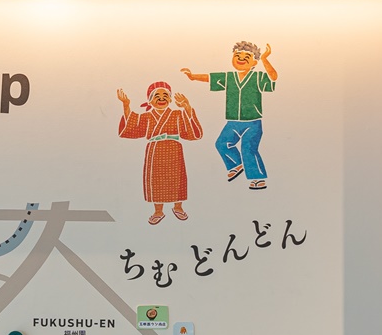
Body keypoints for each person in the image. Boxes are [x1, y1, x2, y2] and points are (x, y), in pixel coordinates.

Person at [182, 41, 278, 190]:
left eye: (246, 57)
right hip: (233, 122)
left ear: (254, 62)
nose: (241, 59)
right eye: (237, 56)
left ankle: (257, 178)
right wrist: (193, 76)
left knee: (248, 149)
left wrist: (265, 59)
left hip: (252, 122)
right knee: (221, 143)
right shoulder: (229, 77)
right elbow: (210, 78)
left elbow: (273, 78)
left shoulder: (257, 77)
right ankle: (236, 164)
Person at [115, 81, 204, 223]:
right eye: (157, 96)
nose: (161, 99)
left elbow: (192, 133)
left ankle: (178, 207)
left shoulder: (177, 114)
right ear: (149, 100)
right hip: (155, 151)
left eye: (165, 96)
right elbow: (132, 126)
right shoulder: (147, 116)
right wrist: (126, 104)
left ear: (170, 99)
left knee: (177, 178)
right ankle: (158, 211)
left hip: (174, 150)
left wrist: (187, 107)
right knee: (156, 180)